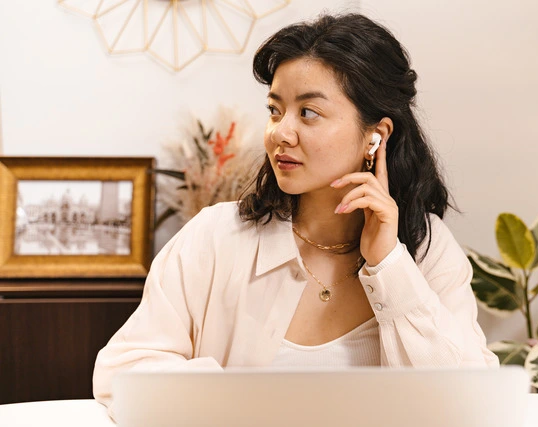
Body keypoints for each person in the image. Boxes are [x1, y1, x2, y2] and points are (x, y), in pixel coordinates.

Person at [93, 12, 498, 417]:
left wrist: (389, 265)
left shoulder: (426, 248)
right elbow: (124, 374)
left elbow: (468, 404)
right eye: (275, 110)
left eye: (308, 113)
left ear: (376, 136)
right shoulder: (214, 237)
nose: (280, 133)